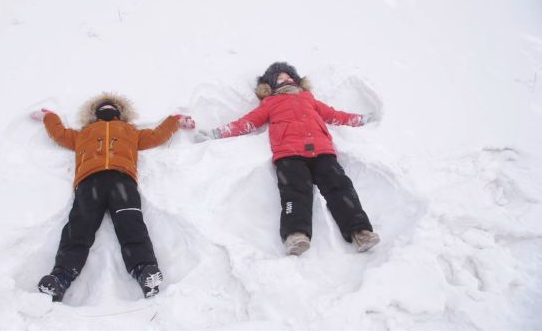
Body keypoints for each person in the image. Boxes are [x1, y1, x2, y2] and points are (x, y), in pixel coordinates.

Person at [195, 62, 380, 255]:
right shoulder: (270, 103)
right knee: (295, 191)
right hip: (289, 154)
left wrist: (359, 119)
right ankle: (296, 234)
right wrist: (217, 133)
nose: (286, 79)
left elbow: (334, 115)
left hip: (322, 151)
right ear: (271, 86)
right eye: (280, 78)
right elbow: (246, 123)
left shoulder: (309, 99)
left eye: (289, 76)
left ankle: (360, 231)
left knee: (339, 186)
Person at [30, 93, 195, 301]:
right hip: (89, 182)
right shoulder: (83, 133)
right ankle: (60, 277)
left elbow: (156, 136)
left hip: (122, 180)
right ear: (95, 115)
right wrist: (49, 117)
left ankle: (145, 271)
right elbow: (60, 134)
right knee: (79, 226)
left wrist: (174, 121)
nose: (107, 109)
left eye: (111, 107)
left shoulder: (130, 131)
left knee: (131, 224)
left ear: (119, 114)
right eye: (103, 107)